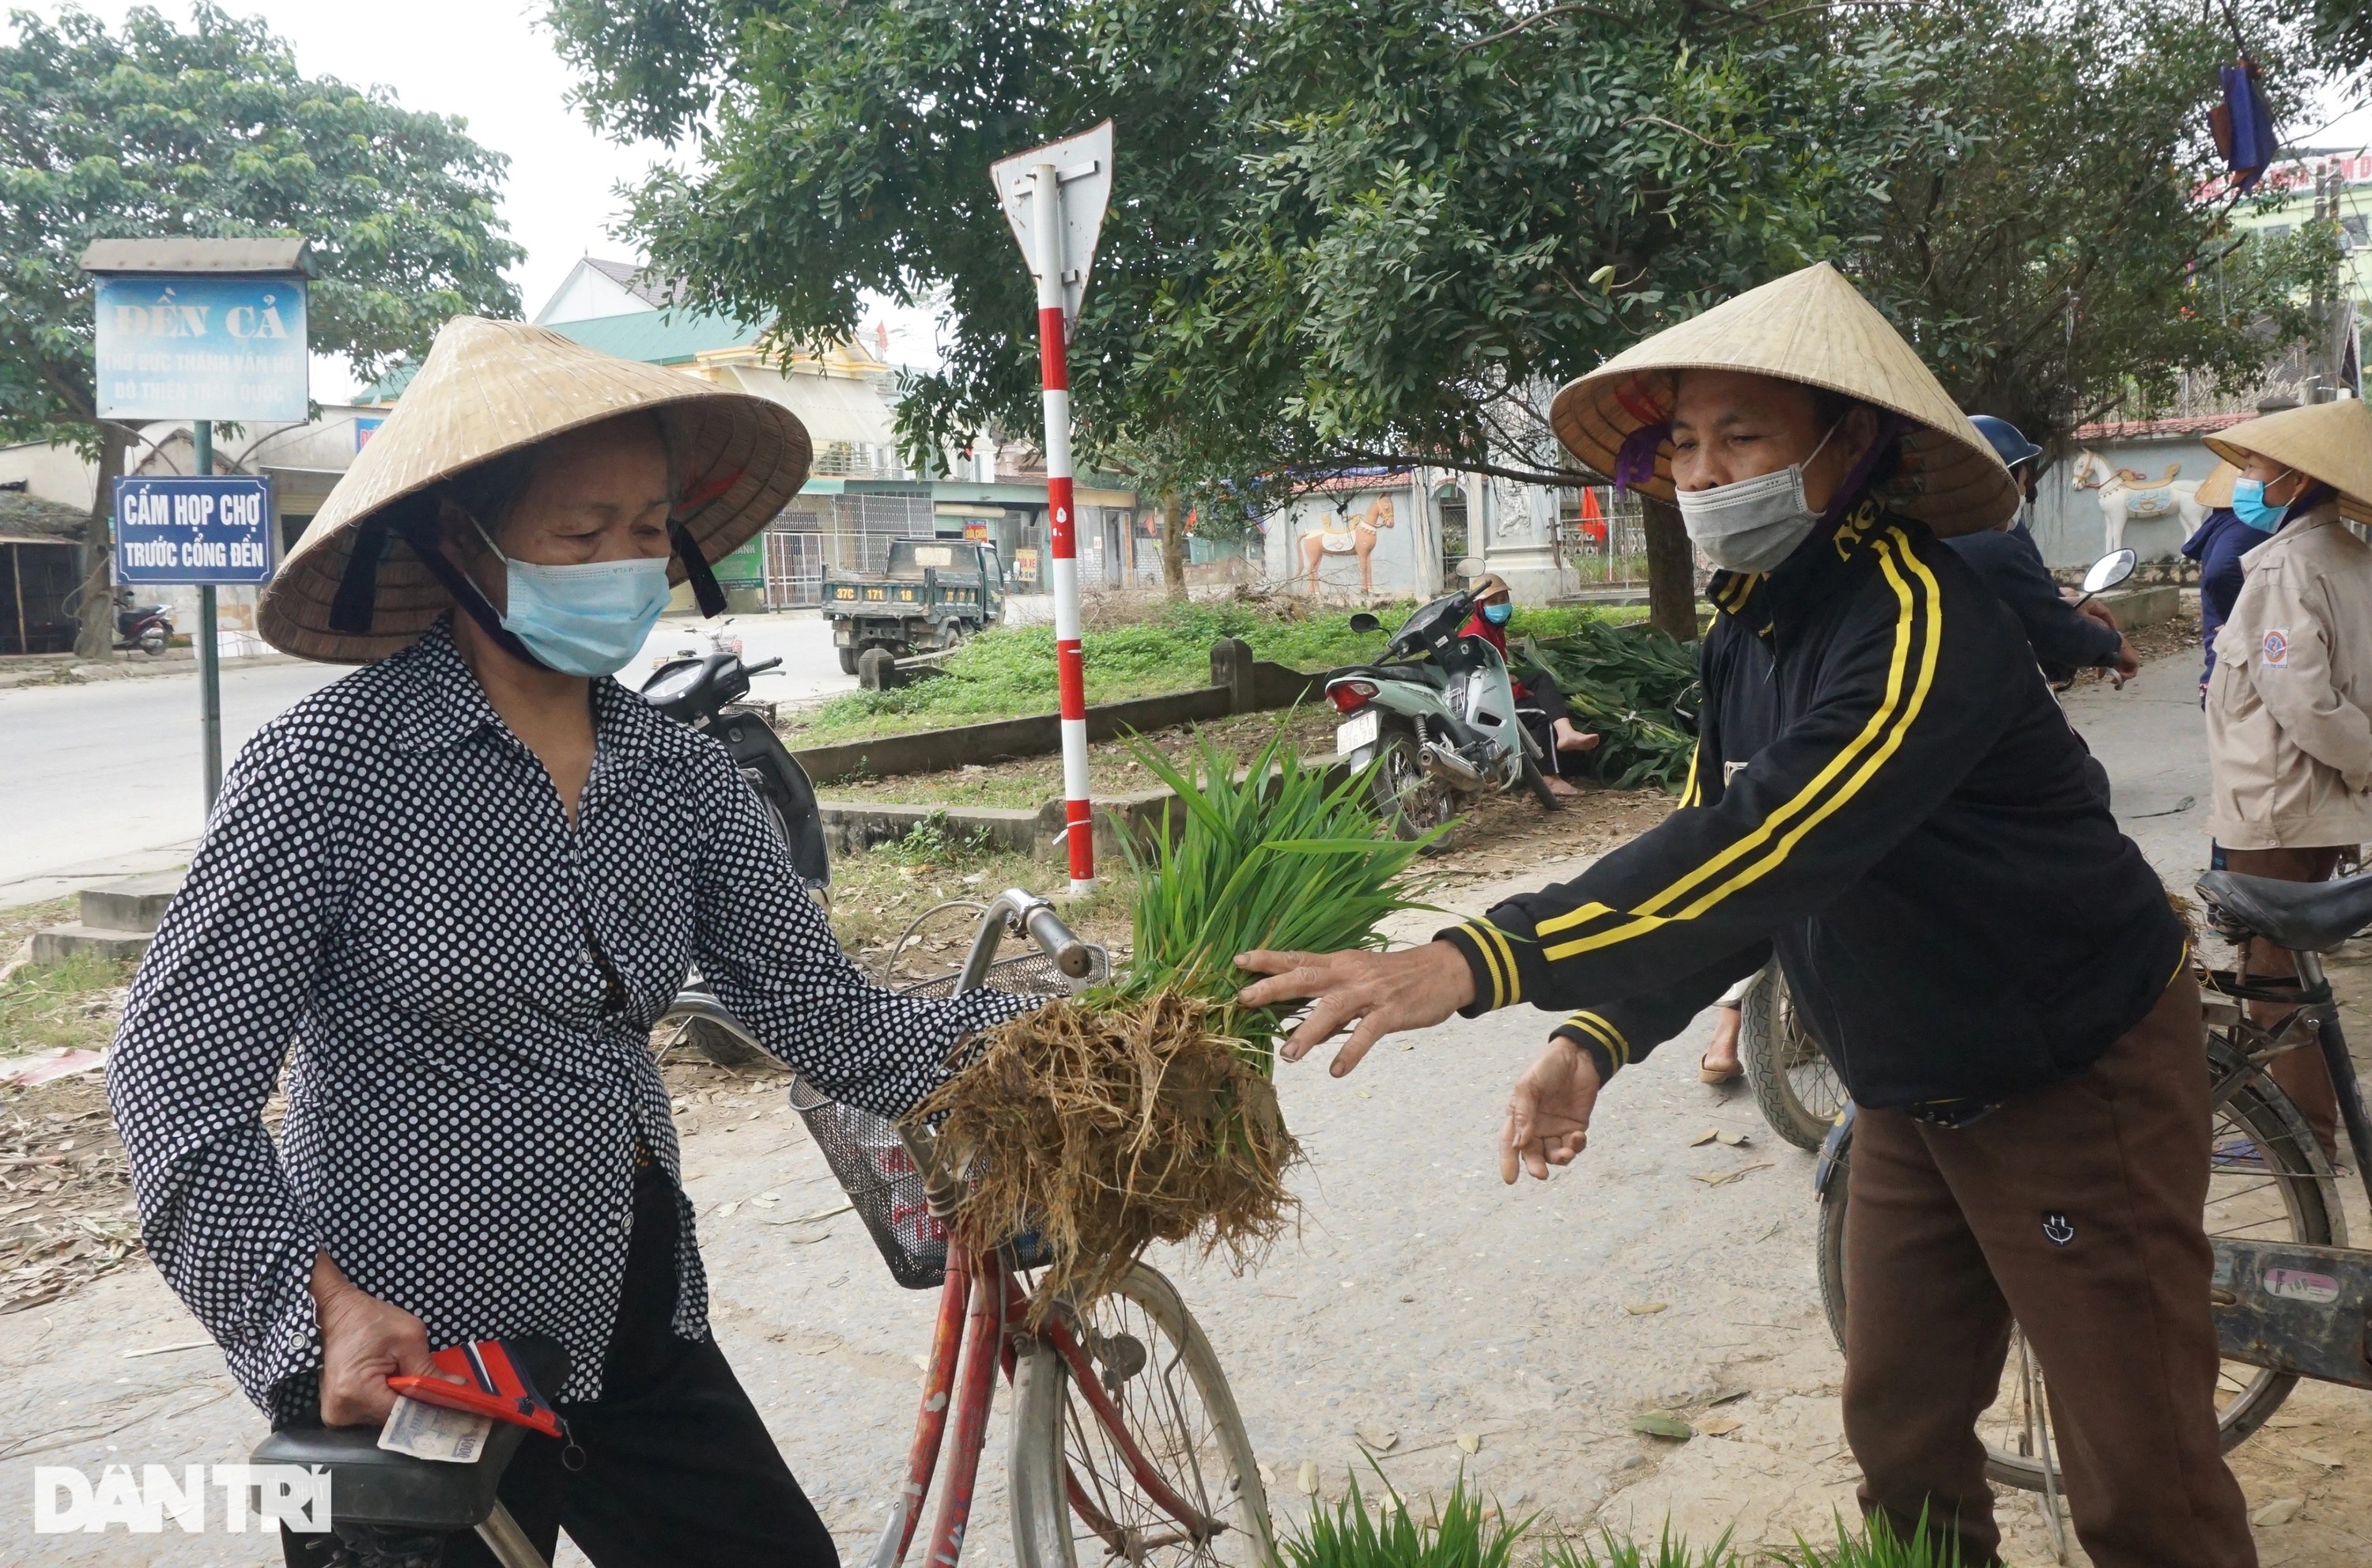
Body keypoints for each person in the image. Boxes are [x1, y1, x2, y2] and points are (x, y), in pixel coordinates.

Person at [1234, 263, 2251, 1568]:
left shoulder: (1921, 618)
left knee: (2139, 1481)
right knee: (1903, 1438)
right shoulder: (1748, 634)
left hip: (2071, 1069)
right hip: (1912, 1087)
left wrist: (1479, 956)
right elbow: (1725, 890)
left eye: (1747, 436)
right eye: (1688, 443)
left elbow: (1766, 845)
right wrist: (1592, 1037)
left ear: (1850, 446)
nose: (1709, 471)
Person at [109, 317, 1033, 1568]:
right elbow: (176, 1078)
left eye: (649, 530)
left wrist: (1067, 1031)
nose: (624, 564)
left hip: (632, 1318)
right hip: (419, 1363)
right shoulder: (330, 769)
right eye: (581, 534)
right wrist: (307, 1310)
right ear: (458, 542)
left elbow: (828, 1018)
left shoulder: (681, 776)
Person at [2201, 398, 2372, 1167]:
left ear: (2295, 478)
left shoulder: (2286, 566)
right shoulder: (2352, 557)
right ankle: (2295, 1128)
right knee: (2283, 969)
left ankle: (2300, 1142)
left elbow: (2303, 700)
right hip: (2311, 804)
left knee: (2277, 977)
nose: (2249, 482)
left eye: (2260, 470)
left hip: (2278, 804)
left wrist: (2365, 761)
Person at [1949, 414, 2137, 687]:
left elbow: (2017, 601)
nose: (2026, 492)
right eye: (2024, 482)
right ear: (1999, 483)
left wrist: (2054, 599)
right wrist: (2113, 644)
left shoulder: (1916, 539)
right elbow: (2055, 632)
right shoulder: (1994, 549)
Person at [1457, 571, 1600, 796]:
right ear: (1480, 607)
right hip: (1489, 704)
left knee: (1541, 679)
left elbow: (1495, 671)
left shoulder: (1493, 629)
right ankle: (1551, 778)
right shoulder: (1475, 636)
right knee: (1542, 714)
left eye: (1504, 600)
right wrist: (1518, 689)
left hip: (1500, 691)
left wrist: (1514, 681)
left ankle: (1566, 733)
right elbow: (1482, 683)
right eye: (1493, 601)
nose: (1501, 605)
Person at [2182, 462, 2248, 693]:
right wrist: (2239, 623)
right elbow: (2221, 572)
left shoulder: (2220, 523)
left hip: (2221, 659)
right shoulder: (2247, 525)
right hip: (2238, 665)